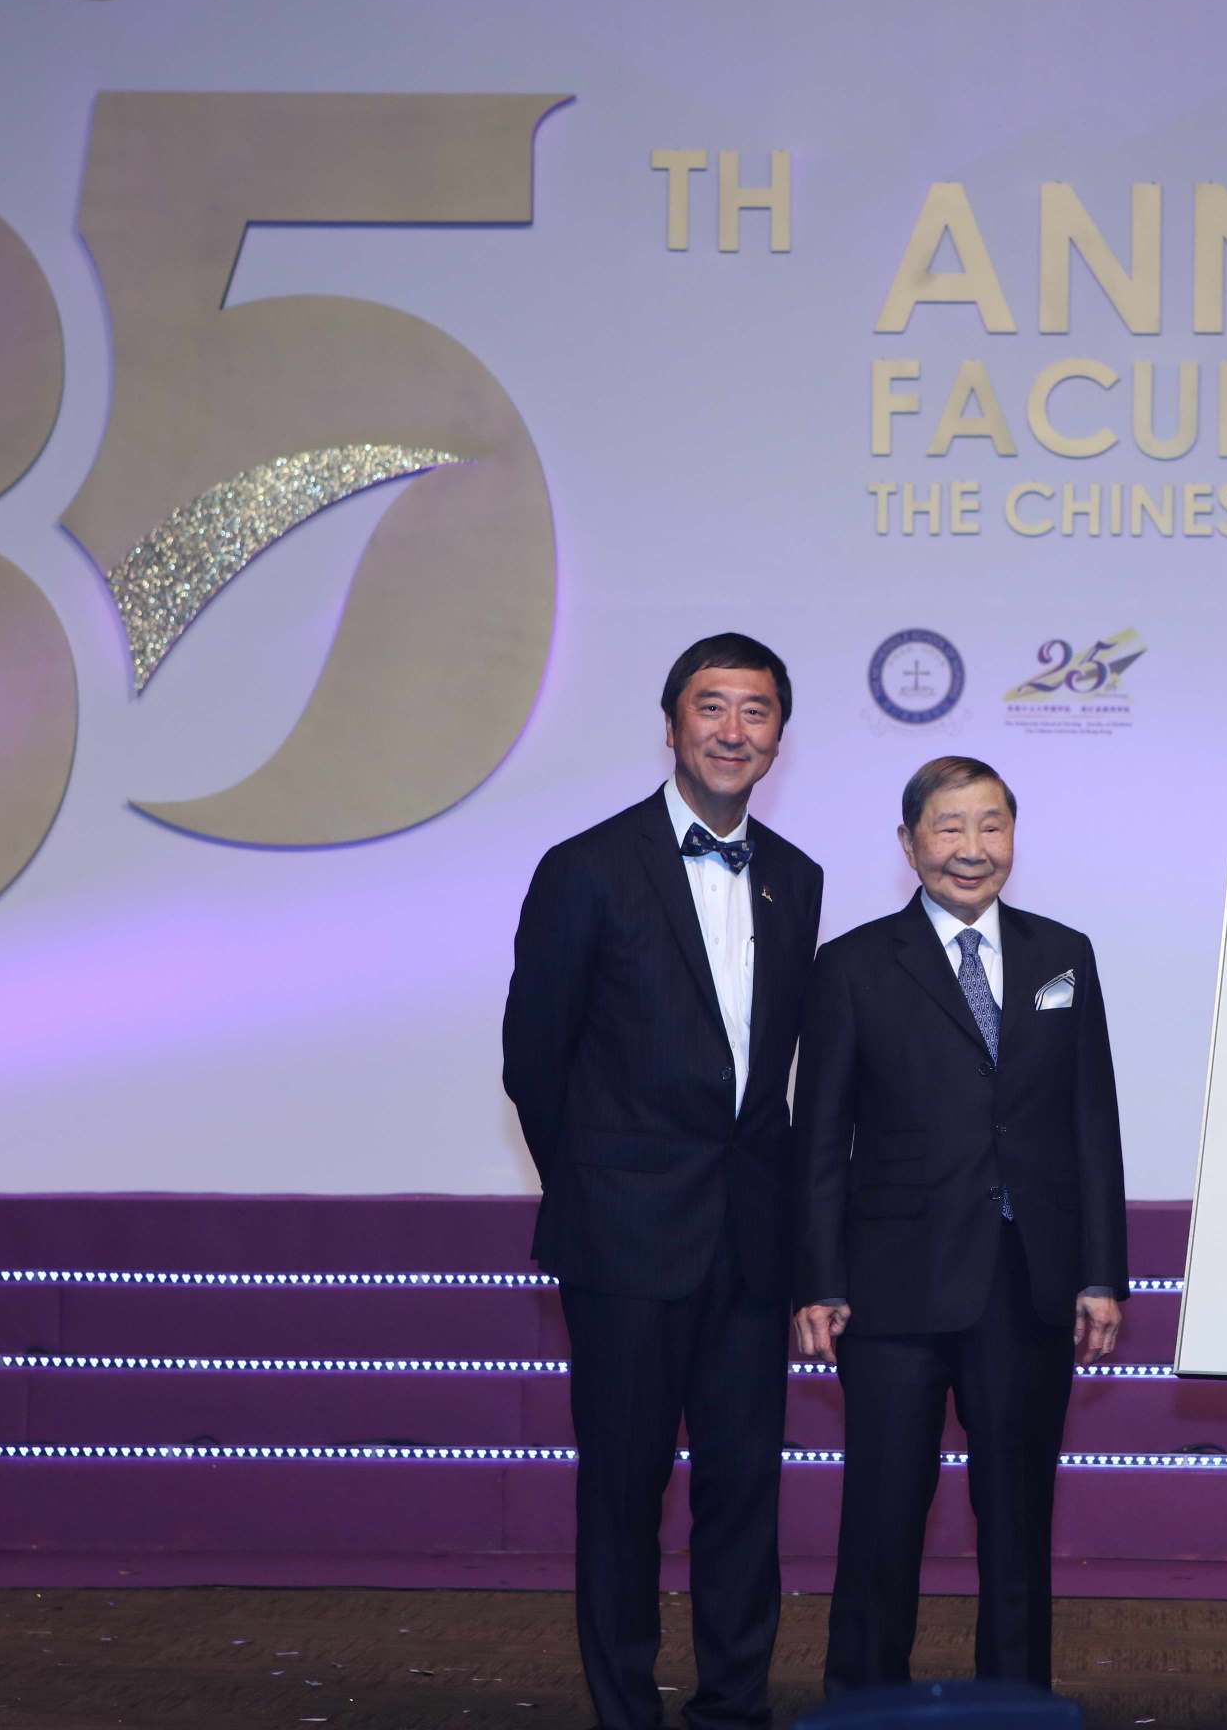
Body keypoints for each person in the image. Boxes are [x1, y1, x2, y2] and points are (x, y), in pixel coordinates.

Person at [501, 634, 825, 1730]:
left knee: (745, 1495)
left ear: (781, 732)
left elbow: (772, 1077)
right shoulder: (586, 867)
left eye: (757, 711)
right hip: (624, 1242)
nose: (734, 730)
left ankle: (734, 1707)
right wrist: (599, 1188)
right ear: (673, 721)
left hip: (749, 1243)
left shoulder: (797, 878)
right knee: (624, 1496)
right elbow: (533, 1059)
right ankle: (626, 1711)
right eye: (712, 707)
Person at [792, 756, 1129, 1693]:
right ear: (909, 845)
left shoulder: (1066, 953)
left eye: (991, 826)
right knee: (883, 1514)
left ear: (1013, 839)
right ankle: (862, 1698)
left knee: (1018, 1514)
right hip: (891, 1288)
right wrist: (817, 1279)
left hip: (1026, 1282)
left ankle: (1017, 1699)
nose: (971, 849)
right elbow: (819, 1138)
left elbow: (1090, 1122)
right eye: (949, 828)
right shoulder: (853, 965)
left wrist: (1101, 1273)